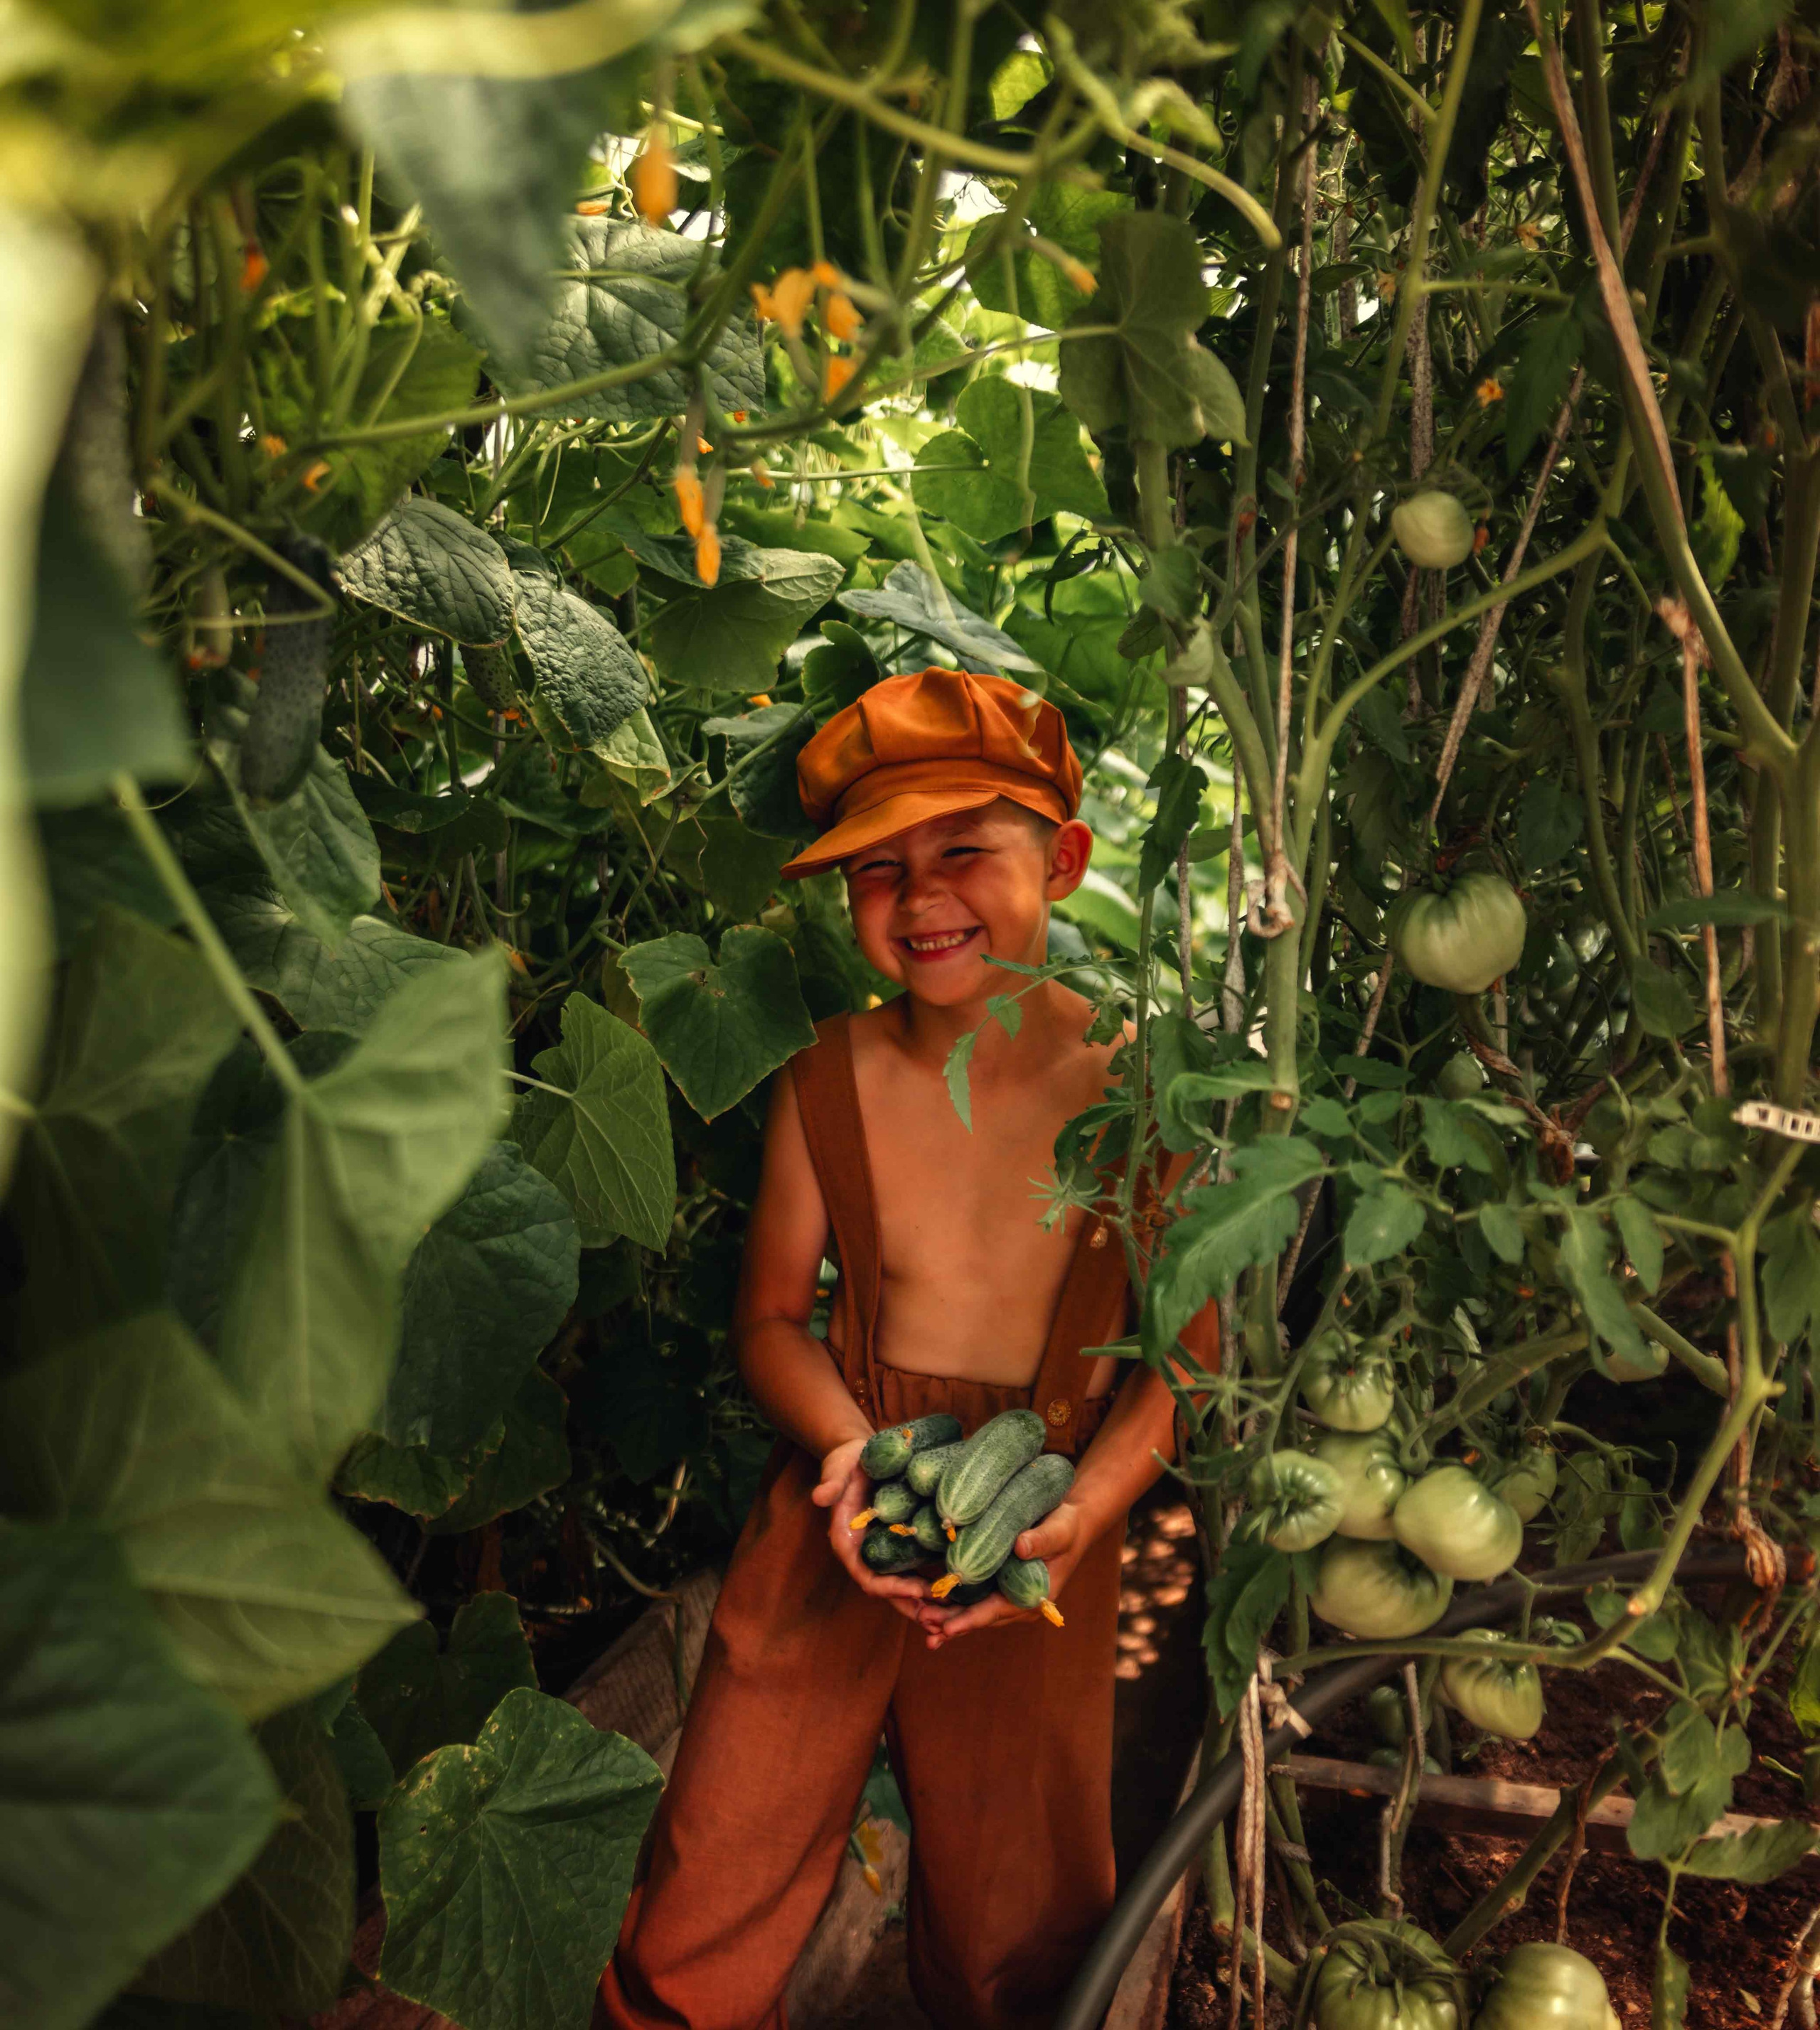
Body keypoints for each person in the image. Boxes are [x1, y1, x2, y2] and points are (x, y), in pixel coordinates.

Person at [595, 667, 1219, 2030]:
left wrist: (1077, 1520)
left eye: (962, 852)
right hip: (843, 1492)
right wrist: (845, 1455)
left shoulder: (1152, 1091)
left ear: (1061, 859)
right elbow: (771, 1318)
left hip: (1038, 1517)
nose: (922, 897)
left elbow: (1180, 1366)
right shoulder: (829, 1072)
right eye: (876, 871)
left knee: (1022, 1899)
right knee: (723, 1843)